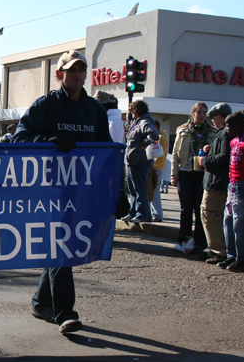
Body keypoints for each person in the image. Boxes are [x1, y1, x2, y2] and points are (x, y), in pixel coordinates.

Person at [13, 50, 113, 334]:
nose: (78, 75)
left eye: (82, 70)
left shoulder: (94, 110)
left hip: (82, 192)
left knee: (59, 246)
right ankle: (65, 312)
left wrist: (118, 193)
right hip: (48, 191)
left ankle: (42, 302)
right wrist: (47, 140)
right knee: (62, 246)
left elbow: (106, 154)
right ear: (61, 74)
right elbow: (20, 138)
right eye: (72, 70)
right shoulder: (45, 105)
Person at [218, 111, 244, 273]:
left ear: (238, 126)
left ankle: (243, 259)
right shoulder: (233, 142)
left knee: (240, 222)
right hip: (232, 185)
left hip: (243, 186)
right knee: (228, 220)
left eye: (229, 125)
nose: (227, 128)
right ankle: (231, 254)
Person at [171, 102, 214, 253]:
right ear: (193, 113)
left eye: (204, 112)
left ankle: (200, 243)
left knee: (199, 209)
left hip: (202, 173)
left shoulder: (212, 131)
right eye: (199, 112)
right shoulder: (182, 130)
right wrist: (174, 174)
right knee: (186, 209)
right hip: (185, 172)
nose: (202, 115)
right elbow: (175, 154)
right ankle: (184, 240)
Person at [200, 103, 232, 264]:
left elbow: (224, 157)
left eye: (213, 117)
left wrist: (205, 160)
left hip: (217, 181)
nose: (212, 121)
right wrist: (210, 150)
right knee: (209, 214)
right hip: (214, 181)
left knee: (210, 214)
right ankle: (217, 249)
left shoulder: (226, 133)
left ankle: (219, 251)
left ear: (220, 116)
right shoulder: (223, 132)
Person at [123, 99, 159, 223]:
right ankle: (133, 212)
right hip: (133, 161)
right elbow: (130, 125)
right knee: (133, 189)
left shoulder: (144, 122)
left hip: (139, 161)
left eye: (132, 111)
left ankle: (142, 214)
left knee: (139, 189)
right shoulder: (137, 122)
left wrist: (142, 146)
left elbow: (154, 135)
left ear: (136, 111)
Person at [150, 119, 168, 222]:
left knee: (154, 190)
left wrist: (154, 165)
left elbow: (160, 154)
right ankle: (154, 213)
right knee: (152, 190)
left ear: (156, 126)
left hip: (156, 167)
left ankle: (157, 215)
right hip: (155, 166)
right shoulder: (157, 137)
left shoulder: (160, 137)